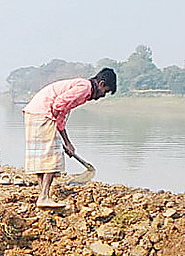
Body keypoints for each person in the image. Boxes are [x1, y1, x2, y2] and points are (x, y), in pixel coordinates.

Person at [22, 67, 116, 206]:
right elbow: (57, 105)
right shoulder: (84, 88)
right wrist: (52, 126)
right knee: (52, 156)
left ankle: (43, 194)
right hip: (43, 113)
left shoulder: (83, 89)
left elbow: (62, 117)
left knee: (42, 157)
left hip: (34, 113)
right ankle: (43, 197)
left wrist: (67, 143)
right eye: (105, 91)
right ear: (101, 84)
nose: (102, 96)